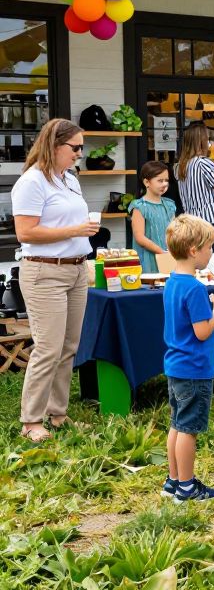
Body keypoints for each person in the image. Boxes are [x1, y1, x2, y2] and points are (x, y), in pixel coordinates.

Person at [12, 118, 98, 443]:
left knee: (68, 347)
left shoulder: (69, 179)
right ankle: (31, 421)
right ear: (54, 145)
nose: (80, 153)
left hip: (76, 269)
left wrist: (80, 239)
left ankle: (58, 414)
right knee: (48, 348)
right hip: (44, 271)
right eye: (75, 147)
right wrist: (74, 231)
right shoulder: (32, 181)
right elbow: (25, 232)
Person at [161, 215, 214, 503]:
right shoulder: (196, 288)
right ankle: (187, 487)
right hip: (195, 368)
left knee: (177, 424)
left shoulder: (172, 282)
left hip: (176, 365)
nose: (211, 253)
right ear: (193, 250)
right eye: (209, 248)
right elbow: (202, 332)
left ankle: (174, 480)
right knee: (189, 429)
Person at [176, 121, 214, 252]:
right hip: (213, 221)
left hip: (192, 222)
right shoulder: (204, 163)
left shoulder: (180, 166)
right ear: (203, 141)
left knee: (198, 260)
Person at [128, 160, 177, 274]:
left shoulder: (169, 204)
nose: (164, 184)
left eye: (166, 180)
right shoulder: (139, 206)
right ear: (146, 182)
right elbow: (139, 237)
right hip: (148, 258)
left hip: (169, 255)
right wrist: (161, 252)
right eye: (160, 180)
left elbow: (175, 231)